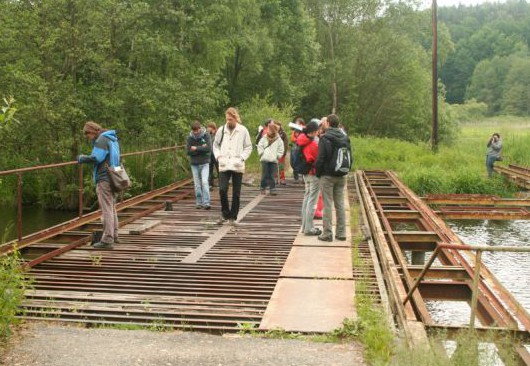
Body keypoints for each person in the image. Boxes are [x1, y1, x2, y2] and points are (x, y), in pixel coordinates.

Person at [78, 121, 121, 249]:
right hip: (114, 177)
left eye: (87, 135)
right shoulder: (112, 138)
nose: (87, 138)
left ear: (92, 131)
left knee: (106, 209)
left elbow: (96, 158)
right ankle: (114, 235)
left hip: (104, 178)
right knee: (111, 207)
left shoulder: (101, 140)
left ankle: (107, 239)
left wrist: (81, 158)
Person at [213, 107, 253, 225]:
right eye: (227, 119)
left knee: (236, 192)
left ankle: (233, 217)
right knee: (222, 189)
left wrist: (241, 158)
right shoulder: (221, 130)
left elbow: (248, 147)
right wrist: (219, 156)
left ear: (235, 118)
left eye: (230, 119)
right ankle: (225, 214)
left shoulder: (243, 130)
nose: (228, 121)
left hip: (237, 164)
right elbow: (215, 145)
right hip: (224, 164)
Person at [315, 114, 352, 242]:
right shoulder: (345, 137)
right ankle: (341, 233)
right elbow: (350, 157)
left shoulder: (325, 138)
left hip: (327, 175)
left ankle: (327, 233)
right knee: (340, 204)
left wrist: (318, 173)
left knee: (327, 204)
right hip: (341, 175)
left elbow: (320, 159)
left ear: (328, 123)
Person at [296, 121, 320, 235]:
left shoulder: (301, 140)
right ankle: (309, 228)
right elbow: (318, 159)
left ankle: (304, 225)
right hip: (313, 174)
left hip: (305, 174)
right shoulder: (313, 144)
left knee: (306, 198)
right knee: (312, 201)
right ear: (314, 132)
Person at [186, 120, 212, 209]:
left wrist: (196, 148)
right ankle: (199, 202)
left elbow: (208, 149)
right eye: (194, 131)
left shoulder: (206, 135)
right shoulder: (190, 138)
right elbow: (188, 151)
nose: (196, 132)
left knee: (204, 182)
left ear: (200, 129)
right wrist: (202, 148)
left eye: (197, 130)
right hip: (194, 164)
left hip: (204, 163)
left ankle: (207, 202)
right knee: (197, 184)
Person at [257, 123, 284, 195]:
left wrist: (277, 156)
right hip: (265, 159)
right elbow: (260, 146)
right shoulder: (264, 138)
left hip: (273, 160)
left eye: (270, 129)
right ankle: (263, 187)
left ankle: (272, 189)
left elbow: (281, 149)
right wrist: (261, 153)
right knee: (264, 174)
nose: (268, 130)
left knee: (272, 175)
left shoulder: (279, 140)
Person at [273, 120, 289, 185]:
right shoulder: (272, 133)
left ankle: (282, 179)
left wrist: (284, 152)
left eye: (278, 125)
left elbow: (286, 143)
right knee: (274, 165)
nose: (277, 126)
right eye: (276, 125)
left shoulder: (283, 133)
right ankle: (275, 178)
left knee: (281, 166)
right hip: (273, 152)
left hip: (281, 152)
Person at [289, 117, 305, 182]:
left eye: (297, 123)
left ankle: (303, 177)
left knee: (303, 161)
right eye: (296, 123)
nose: (296, 124)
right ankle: (296, 176)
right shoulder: (294, 131)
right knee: (294, 160)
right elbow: (292, 139)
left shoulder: (304, 129)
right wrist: (297, 139)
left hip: (303, 147)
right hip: (296, 146)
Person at [206, 121, 219, 187]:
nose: (208, 129)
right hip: (210, 154)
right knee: (209, 169)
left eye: (209, 127)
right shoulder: (208, 134)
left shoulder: (218, 134)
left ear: (213, 128)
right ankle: (210, 183)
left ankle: (222, 183)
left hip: (216, 154)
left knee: (219, 168)